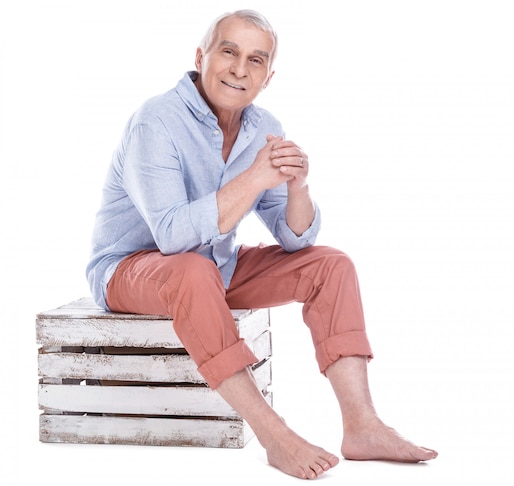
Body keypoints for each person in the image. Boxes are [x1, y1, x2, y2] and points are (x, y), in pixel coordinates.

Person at [86, 9, 437, 480]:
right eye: (228, 51)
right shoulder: (156, 121)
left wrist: (298, 187)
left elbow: (296, 239)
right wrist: (254, 177)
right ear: (200, 56)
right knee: (192, 268)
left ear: (268, 77)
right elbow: (171, 236)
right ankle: (274, 434)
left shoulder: (263, 126)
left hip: (215, 270)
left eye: (256, 60)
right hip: (129, 269)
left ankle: (362, 425)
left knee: (330, 265)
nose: (239, 69)